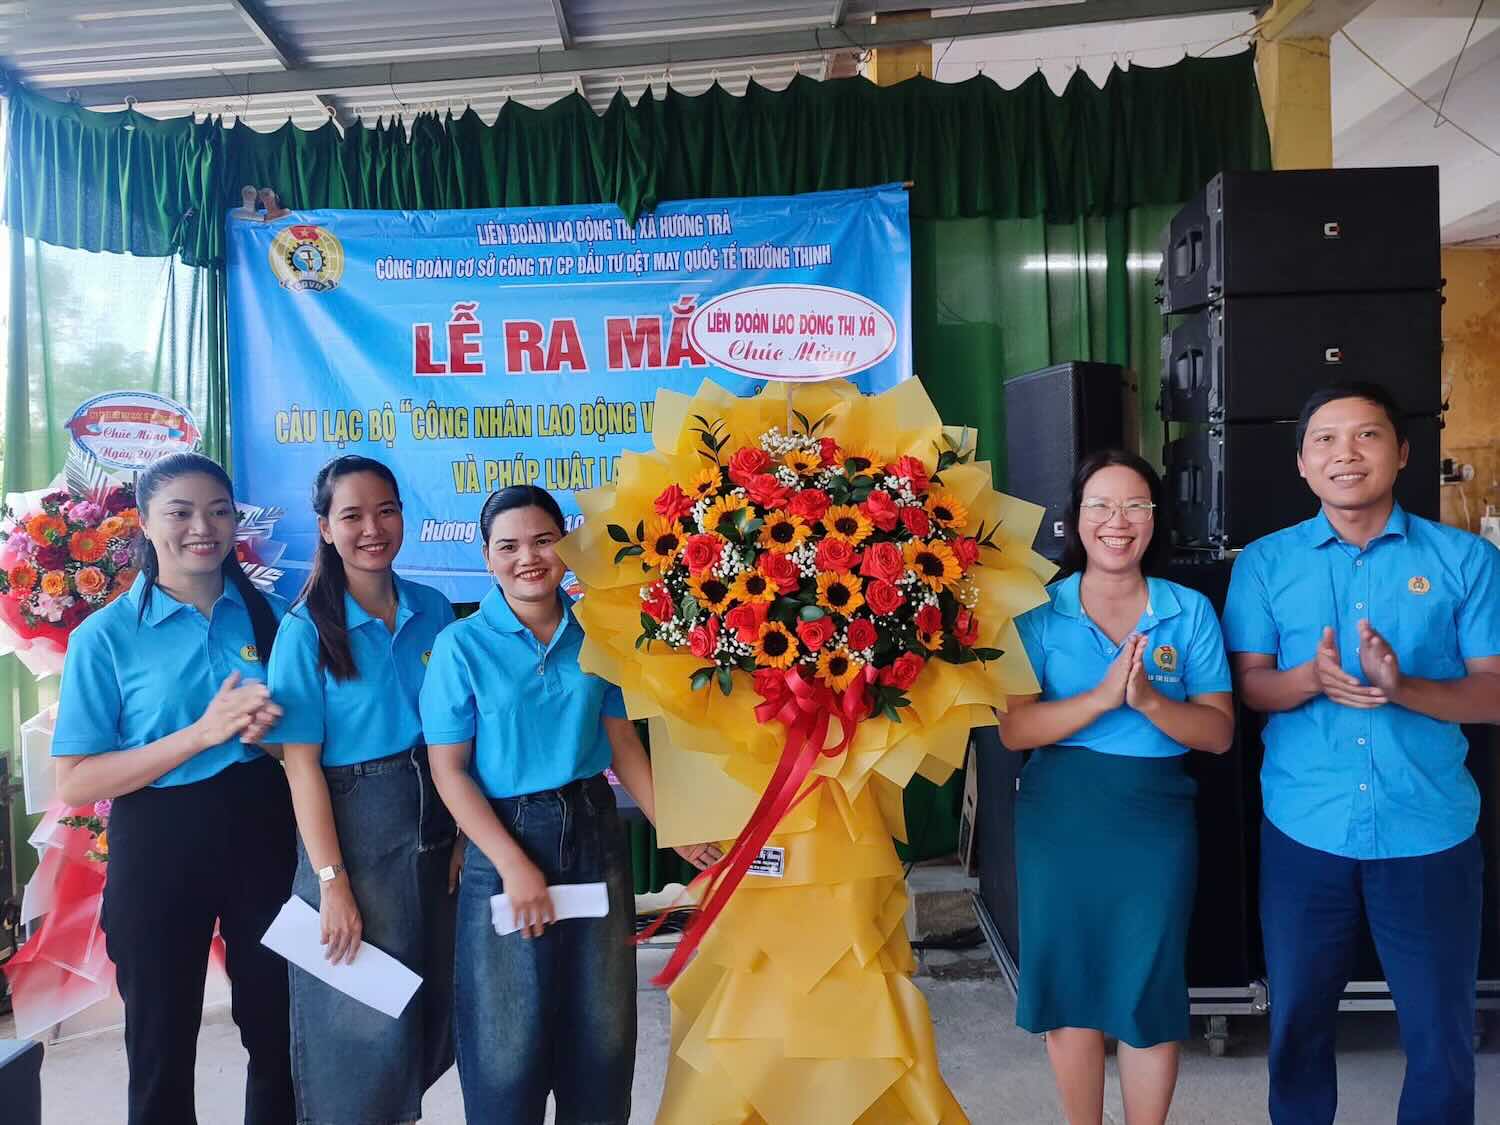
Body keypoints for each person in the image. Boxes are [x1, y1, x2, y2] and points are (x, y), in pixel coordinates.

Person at [1223, 382, 1500, 1125]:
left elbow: (1493, 692)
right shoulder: (1265, 564)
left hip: (1429, 832)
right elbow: (1250, 685)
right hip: (1305, 831)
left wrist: (1403, 686)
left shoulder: (1465, 560)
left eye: (1367, 435)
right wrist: (1308, 677)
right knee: (1298, 1027)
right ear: (1303, 465)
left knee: (1440, 1036)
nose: (1346, 453)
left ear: (1402, 452)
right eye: (1325, 439)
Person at [419, 485, 720, 1125]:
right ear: (486, 557)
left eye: (543, 540)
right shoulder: (460, 646)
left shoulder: (596, 635)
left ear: (566, 546)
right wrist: (512, 865)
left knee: (601, 1034)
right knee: (505, 1044)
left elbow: (621, 745)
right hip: (503, 840)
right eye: (509, 546)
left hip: (592, 834)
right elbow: (450, 773)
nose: (528, 557)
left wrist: (680, 831)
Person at [50, 452, 295, 1125]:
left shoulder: (273, 619)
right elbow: (74, 778)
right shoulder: (107, 636)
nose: (203, 527)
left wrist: (269, 735)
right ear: (147, 524)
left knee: (280, 1031)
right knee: (160, 1042)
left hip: (264, 833)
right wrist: (202, 732)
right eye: (181, 512)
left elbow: (301, 749)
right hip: (158, 842)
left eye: (218, 510)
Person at [997, 450, 1235, 1125]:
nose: (1117, 521)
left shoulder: (1187, 612)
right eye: (1100, 505)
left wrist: (1152, 703)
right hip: (1060, 815)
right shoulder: (1040, 611)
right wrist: (1102, 698)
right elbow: (1015, 728)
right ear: (1076, 519)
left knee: (1146, 989)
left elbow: (1217, 733)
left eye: (1134, 505)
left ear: (1155, 520)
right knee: (1068, 988)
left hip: (1154, 818)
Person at [263, 455, 459, 1125]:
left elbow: (455, 739)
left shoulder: (434, 610)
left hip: (435, 821)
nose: (372, 528)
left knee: (434, 1013)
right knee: (358, 1028)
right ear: (324, 527)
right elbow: (301, 765)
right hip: (354, 833)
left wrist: (462, 833)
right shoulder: (305, 632)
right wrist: (331, 882)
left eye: (386, 510)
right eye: (352, 515)